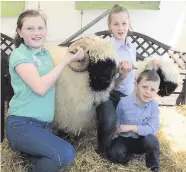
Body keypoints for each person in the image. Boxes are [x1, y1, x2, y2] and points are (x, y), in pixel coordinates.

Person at [5, 9, 84, 172]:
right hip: (22, 125)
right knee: (66, 154)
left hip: (44, 127)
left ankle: (31, 160)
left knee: (57, 164)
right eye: (30, 28)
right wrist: (65, 61)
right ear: (19, 32)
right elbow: (40, 88)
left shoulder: (46, 53)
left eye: (40, 28)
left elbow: (56, 79)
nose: (36, 33)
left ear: (46, 30)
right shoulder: (19, 55)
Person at [96, 4, 136, 153]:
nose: (121, 28)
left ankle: (119, 147)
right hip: (108, 95)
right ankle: (102, 151)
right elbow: (105, 85)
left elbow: (134, 76)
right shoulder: (106, 50)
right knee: (109, 120)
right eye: (116, 24)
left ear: (129, 24)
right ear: (109, 26)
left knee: (133, 127)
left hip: (127, 96)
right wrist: (122, 77)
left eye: (124, 23)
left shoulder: (132, 46)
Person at [107, 69, 160, 172]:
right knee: (114, 153)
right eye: (144, 87)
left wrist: (129, 127)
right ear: (136, 85)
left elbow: (152, 129)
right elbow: (117, 120)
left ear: (156, 91)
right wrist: (116, 131)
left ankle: (154, 167)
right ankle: (128, 156)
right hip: (124, 139)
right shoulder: (124, 102)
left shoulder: (153, 106)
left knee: (152, 141)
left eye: (152, 89)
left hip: (142, 140)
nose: (148, 92)